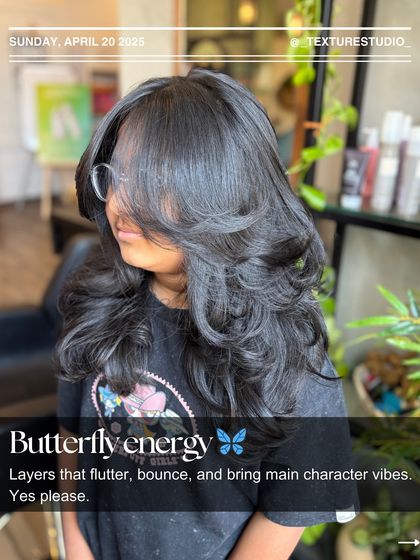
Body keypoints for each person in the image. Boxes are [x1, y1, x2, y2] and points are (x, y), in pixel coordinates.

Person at [56, 67, 357, 560]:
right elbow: (72, 438)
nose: (119, 202)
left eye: (154, 183)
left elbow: (284, 516)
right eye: (117, 174)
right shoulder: (97, 301)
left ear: (221, 194)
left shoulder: (288, 358)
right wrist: (75, 546)